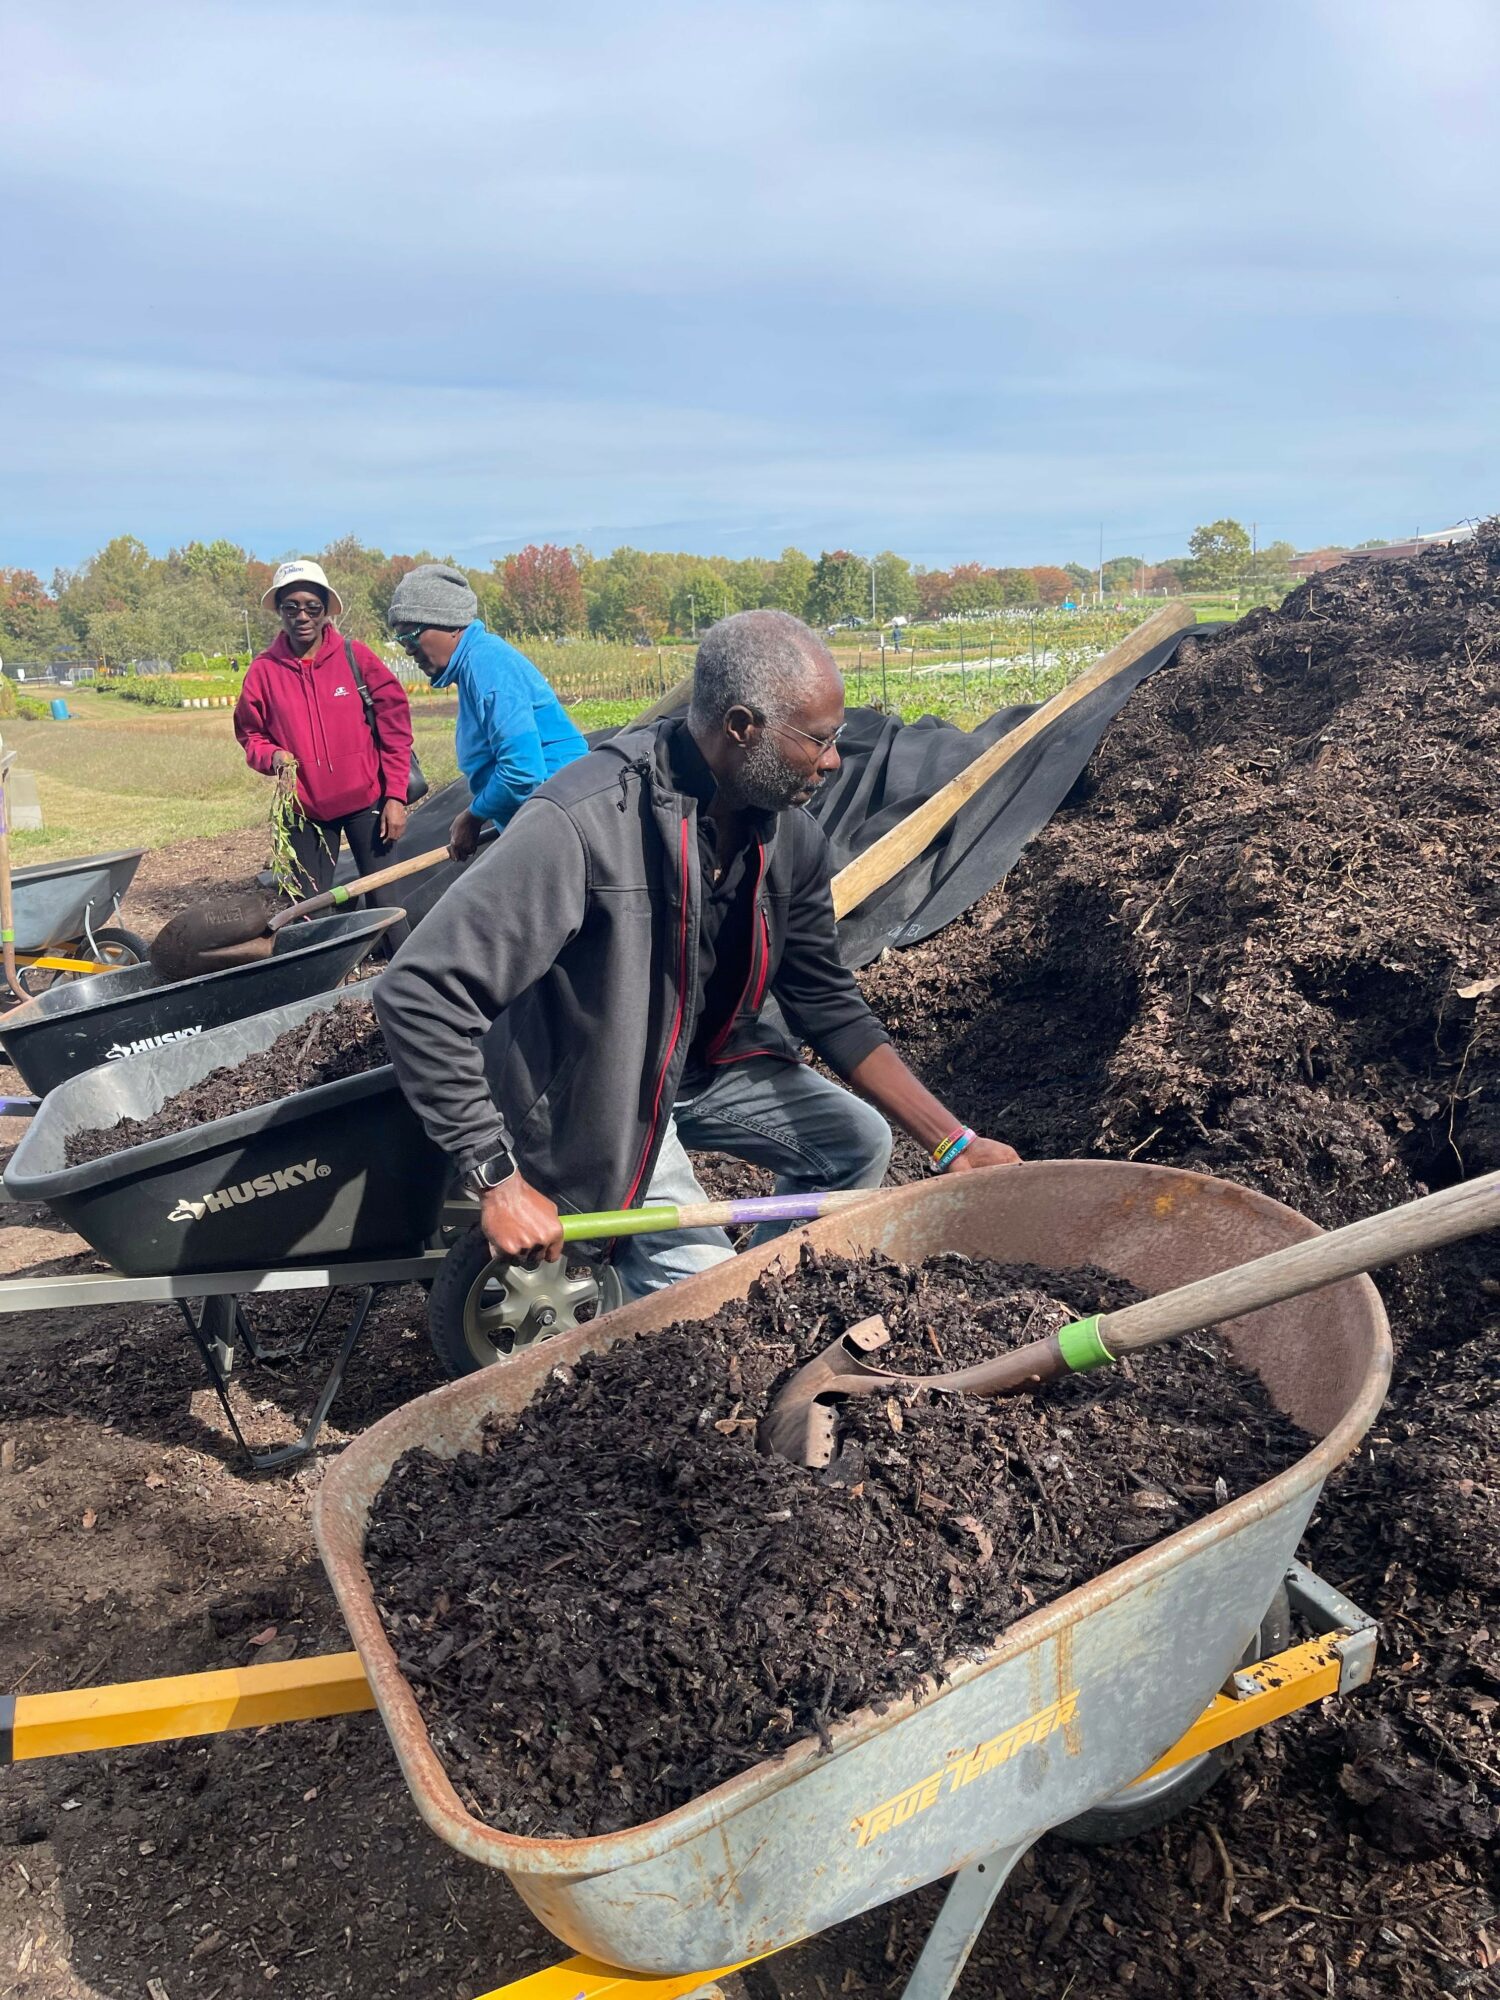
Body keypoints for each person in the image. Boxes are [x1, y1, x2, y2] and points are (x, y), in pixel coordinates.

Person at [374, 609, 1019, 1298]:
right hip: (595, 1096)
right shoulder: (584, 824)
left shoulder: (788, 837)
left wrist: (953, 1142)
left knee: (855, 1146)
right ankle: (716, 1306)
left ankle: (761, 1293)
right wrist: (496, 1179)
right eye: (819, 740)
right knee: (711, 1291)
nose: (835, 761)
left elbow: (826, 1000)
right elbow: (418, 991)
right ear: (742, 727)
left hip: (701, 1068)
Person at [234, 558, 415, 950]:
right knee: (308, 912)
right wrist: (273, 757)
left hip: (367, 802)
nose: (302, 616)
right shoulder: (263, 671)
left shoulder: (355, 657)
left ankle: (400, 983)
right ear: (279, 611)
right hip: (306, 812)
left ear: (325, 610)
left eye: (312, 607)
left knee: (386, 905)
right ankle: (324, 988)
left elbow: (395, 724)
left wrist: (396, 796)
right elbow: (250, 734)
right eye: (291, 607)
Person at [385, 563, 588, 861]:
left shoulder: (487, 668)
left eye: (411, 636)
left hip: (565, 820)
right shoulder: (474, 666)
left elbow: (523, 770)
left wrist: (473, 815)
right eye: (401, 641)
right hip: (542, 818)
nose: (407, 649)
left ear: (451, 625)